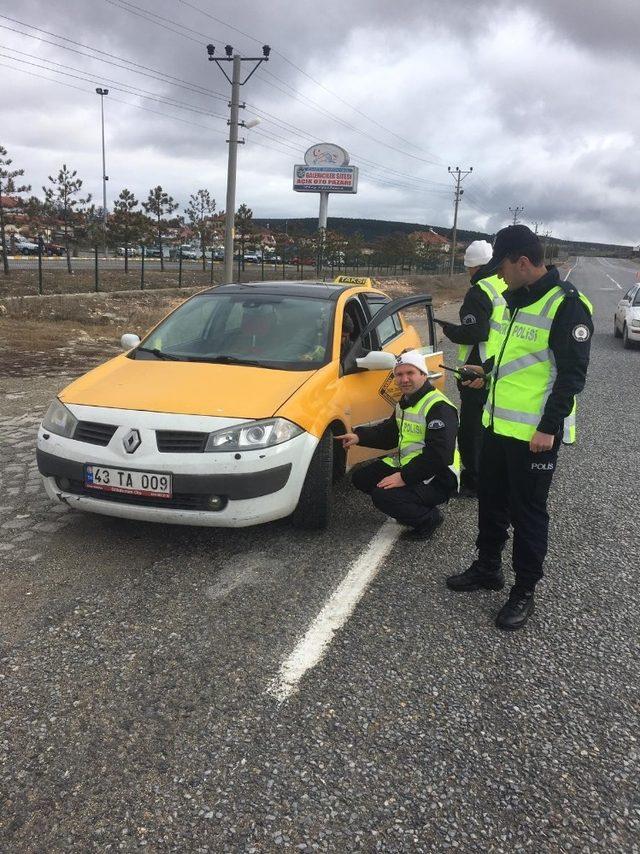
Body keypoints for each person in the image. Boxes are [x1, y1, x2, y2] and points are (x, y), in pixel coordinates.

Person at [445, 225, 593, 630]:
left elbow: (571, 376)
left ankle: (524, 590)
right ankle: (488, 568)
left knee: (528, 513)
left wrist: (549, 427)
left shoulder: (567, 306)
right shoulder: (515, 301)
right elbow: (517, 360)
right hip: (497, 425)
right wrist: (484, 373)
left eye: (502, 267)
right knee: (491, 501)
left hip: (534, 437)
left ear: (522, 262)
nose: (498, 276)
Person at [336, 350, 460, 539]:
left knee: (383, 495)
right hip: (411, 464)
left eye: (410, 373)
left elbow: (439, 456)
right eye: (399, 375)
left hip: (439, 475)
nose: (404, 379)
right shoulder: (406, 401)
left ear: (423, 374)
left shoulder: (439, 408)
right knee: (362, 478)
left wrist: (404, 477)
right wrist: (359, 437)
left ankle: (429, 519)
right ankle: (413, 504)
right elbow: (389, 435)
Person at [437, 240, 507, 497]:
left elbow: (475, 331)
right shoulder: (504, 284)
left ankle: (474, 481)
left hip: (477, 369)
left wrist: (450, 330)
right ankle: (496, 474)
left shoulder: (479, 291)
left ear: (472, 267)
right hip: (501, 366)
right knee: (493, 425)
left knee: (471, 430)